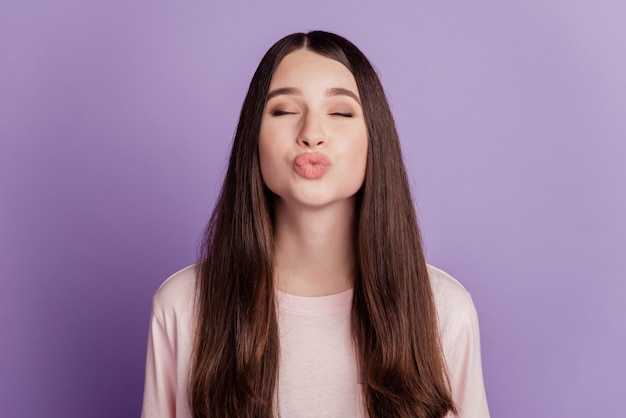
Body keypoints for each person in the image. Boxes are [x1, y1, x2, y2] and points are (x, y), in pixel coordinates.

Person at [141, 31, 490, 418]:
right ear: (252, 139)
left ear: (375, 138)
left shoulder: (442, 310)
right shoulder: (183, 307)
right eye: (285, 111)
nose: (311, 134)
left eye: (340, 112)